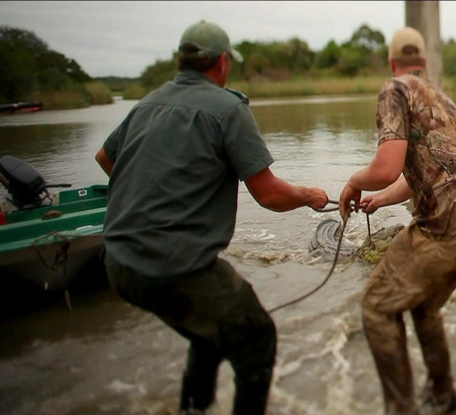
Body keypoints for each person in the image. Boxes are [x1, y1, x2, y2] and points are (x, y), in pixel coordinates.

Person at [94, 20, 328, 415]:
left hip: (118, 264)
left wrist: (158, 194)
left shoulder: (147, 102)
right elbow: (269, 194)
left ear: (181, 61)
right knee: (257, 337)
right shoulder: (228, 108)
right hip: (174, 265)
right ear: (222, 62)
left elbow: (105, 158)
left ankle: (192, 409)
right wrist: (308, 196)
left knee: (209, 337)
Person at [339, 27, 456, 414]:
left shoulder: (395, 89)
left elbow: (387, 166)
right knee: (422, 305)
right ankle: (443, 394)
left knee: (375, 306)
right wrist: (379, 198)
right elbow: (423, 175)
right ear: (422, 63)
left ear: (393, 63)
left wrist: (354, 183)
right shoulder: (441, 97)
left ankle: (401, 408)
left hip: (445, 235)